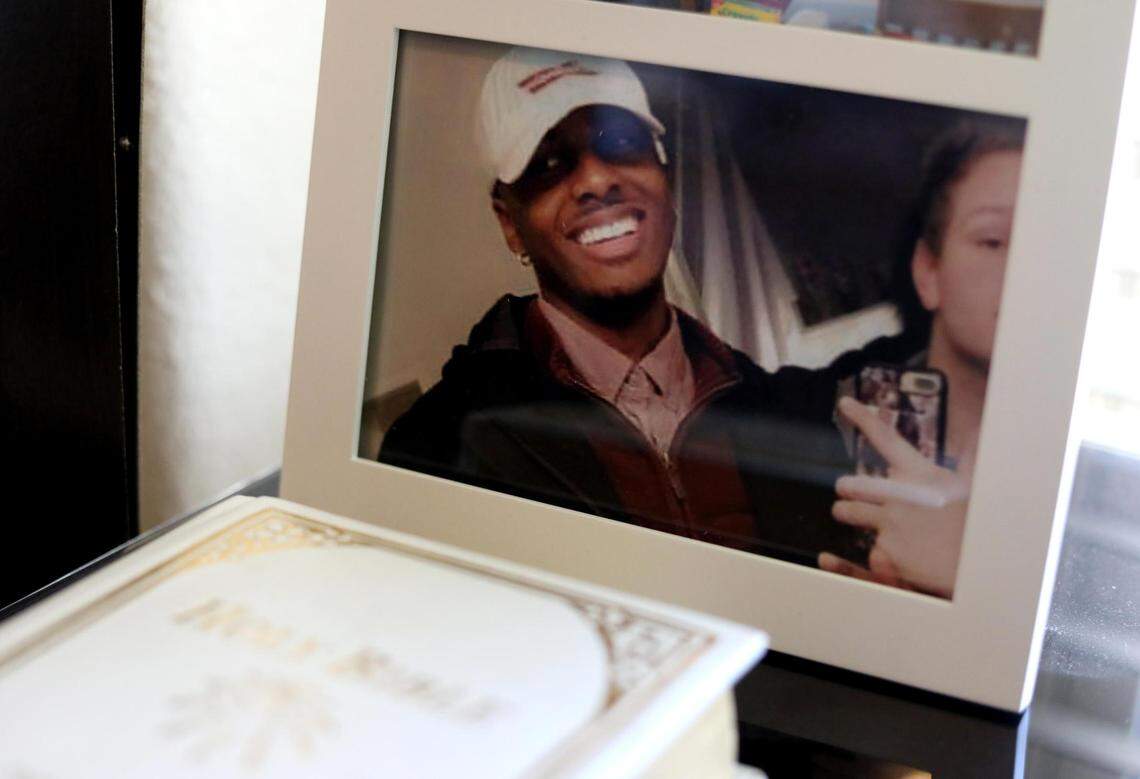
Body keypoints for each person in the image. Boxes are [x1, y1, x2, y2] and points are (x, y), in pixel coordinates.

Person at [379, 46, 879, 564]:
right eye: (549, 164)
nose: (597, 181)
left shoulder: (793, 419)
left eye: (621, 143)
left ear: (666, 181)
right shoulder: (435, 447)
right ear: (511, 224)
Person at [819, 120, 1024, 597]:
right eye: (993, 241)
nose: (1025, 271)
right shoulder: (816, 424)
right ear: (929, 270)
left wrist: (970, 577)